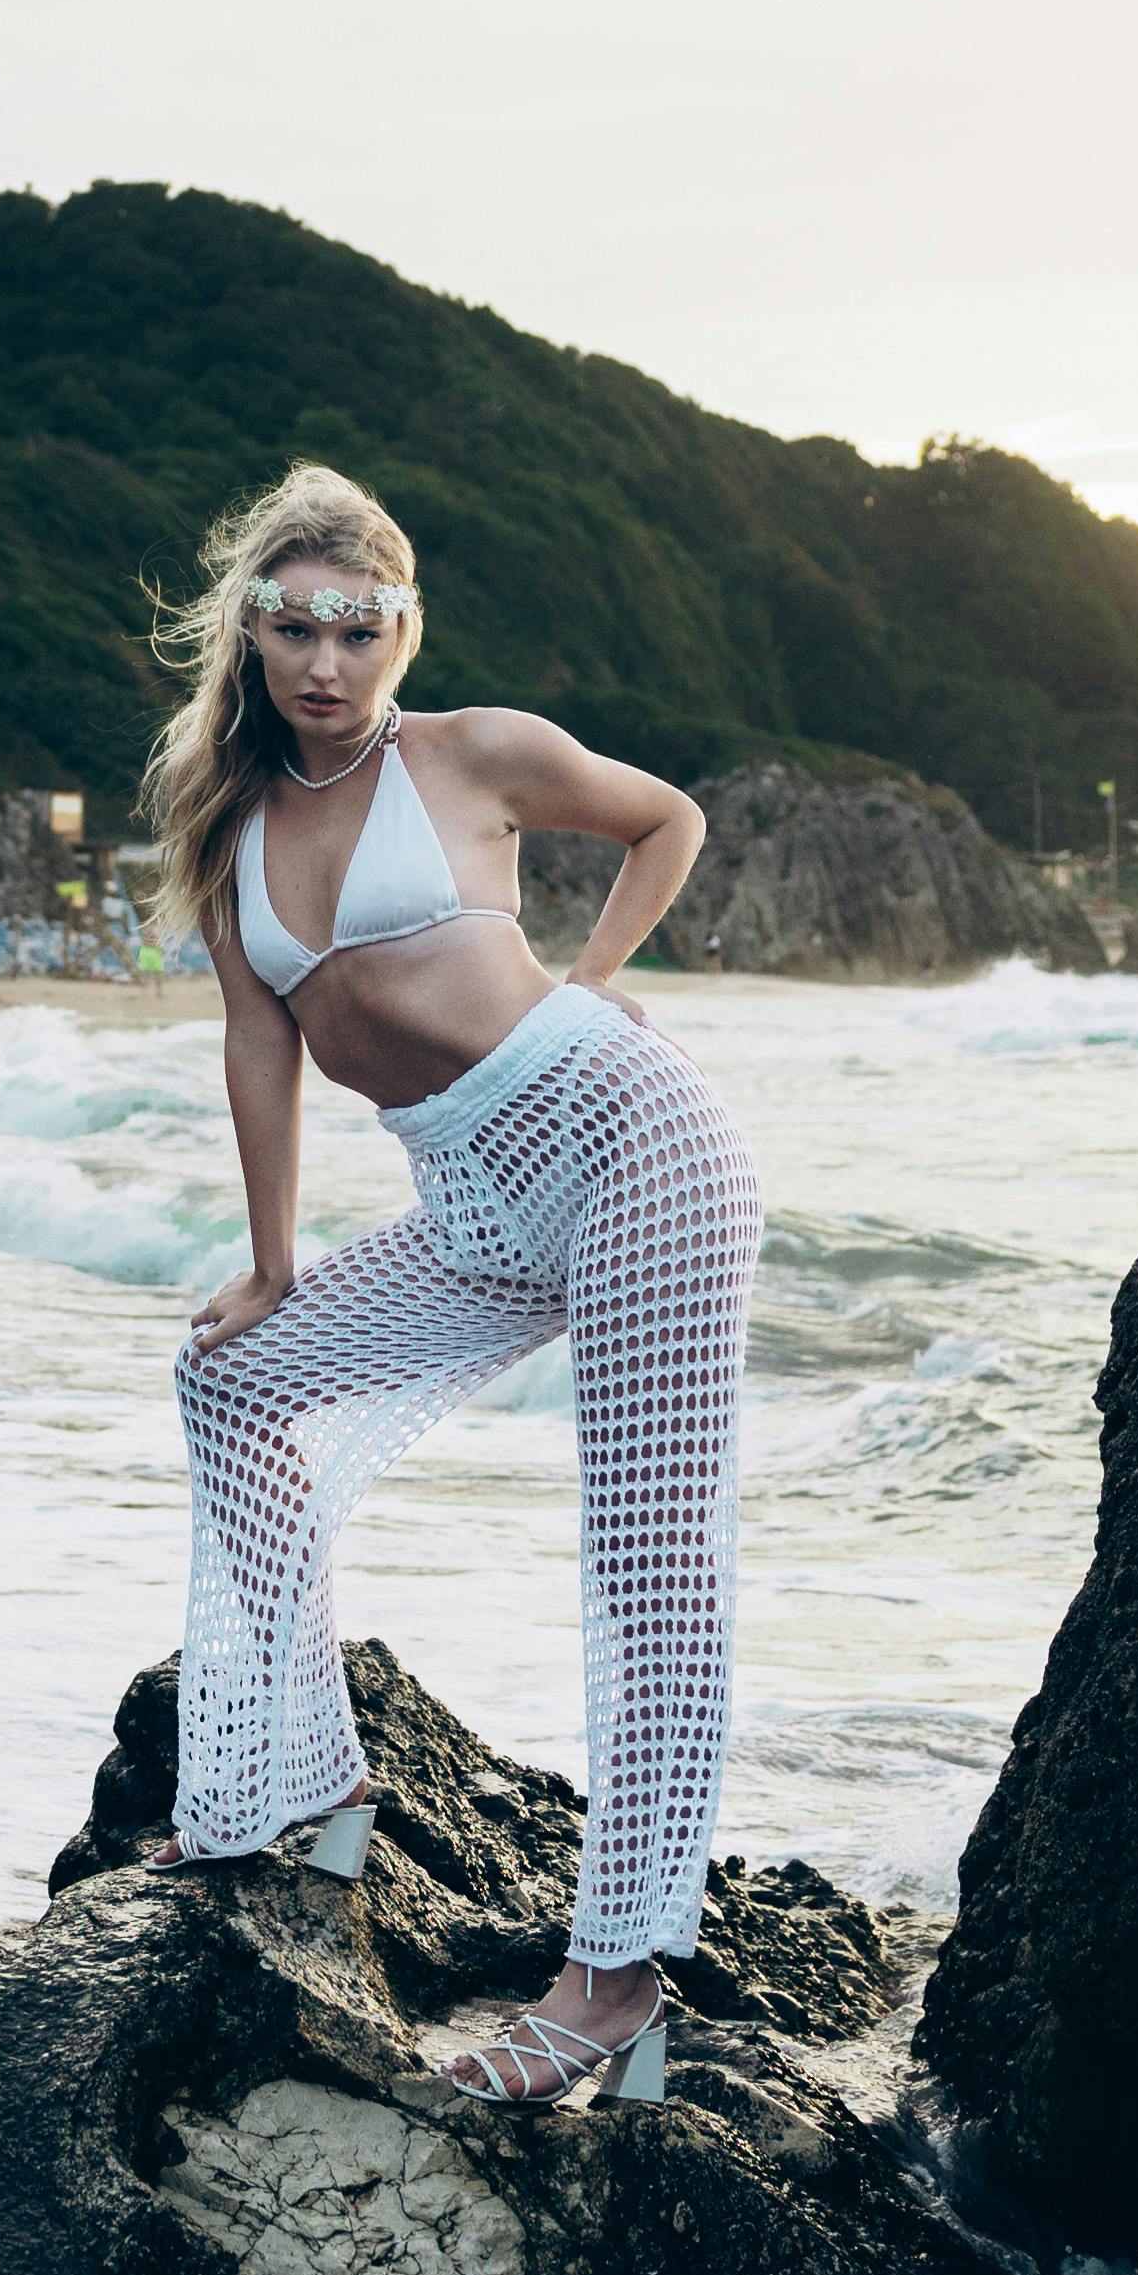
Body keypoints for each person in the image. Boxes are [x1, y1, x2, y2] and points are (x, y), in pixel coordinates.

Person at [137, 462, 762, 2106]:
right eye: (294, 628)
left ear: (404, 632)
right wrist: (275, 1264)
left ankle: (614, 1982)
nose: (326, 659)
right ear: (251, 639)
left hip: (630, 1145)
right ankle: (307, 1783)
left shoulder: (469, 753)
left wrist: (595, 983)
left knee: (647, 1560)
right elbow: (259, 1043)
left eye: (360, 626)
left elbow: (665, 821)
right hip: (475, 1197)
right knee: (233, 1382)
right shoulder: (231, 831)